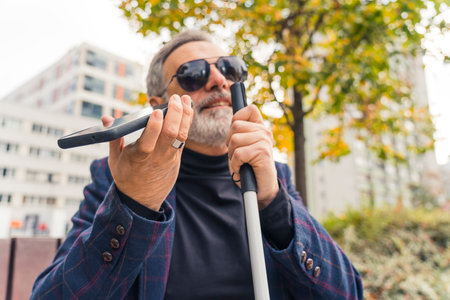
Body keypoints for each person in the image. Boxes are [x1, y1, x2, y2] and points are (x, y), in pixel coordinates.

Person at [31, 30, 363, 299]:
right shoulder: (118, 176)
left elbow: (348, 292)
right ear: (159, 105)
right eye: (193, 74)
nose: (219, 81)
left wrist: (274, 204)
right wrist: (134, 203)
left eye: (230, 69)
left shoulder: (274, 176)